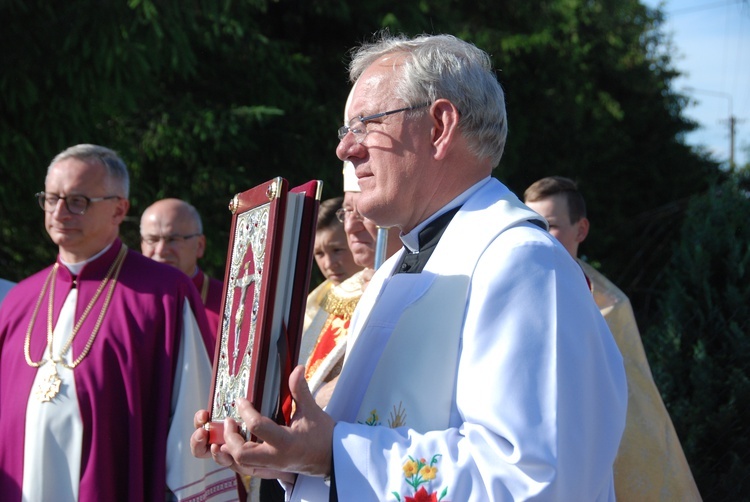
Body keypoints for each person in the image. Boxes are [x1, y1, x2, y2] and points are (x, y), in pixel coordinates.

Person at [191, 33, 627, 501]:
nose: (346, 149)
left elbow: (536, 478)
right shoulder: (397, 269)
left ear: (440, 125)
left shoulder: (520, 263)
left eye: (365, 124)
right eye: (344, 131)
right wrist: (292, 452)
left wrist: (333, 454)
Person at [0, 144, 239, 501]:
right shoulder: (18, 299)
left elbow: (192, 417)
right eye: (51, 199)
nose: (60, 212)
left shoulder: (163, 294)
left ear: (119, 209)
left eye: (78, 200)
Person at [524, 175, 702, 501]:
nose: (538, 236)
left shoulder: (610, 305)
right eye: (530, 223)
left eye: (549, 225)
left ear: (581, 230)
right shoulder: (511, 292)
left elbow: (634, 405)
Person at [300, 163, 401, 408]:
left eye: (364, 212)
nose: (351, 226)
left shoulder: (423, 281)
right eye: (347, 212)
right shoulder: (337, 294)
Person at [140, 198, 224, 341]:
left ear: (199, 245)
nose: (160, 250)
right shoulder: (127, 299)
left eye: (172, 239)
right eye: (152, 240)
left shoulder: (228, 304)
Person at [303, 196, 362, 336]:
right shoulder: (311, 305)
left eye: (337, 250)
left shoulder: (377, 290)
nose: (329, 264)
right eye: (319, 253)